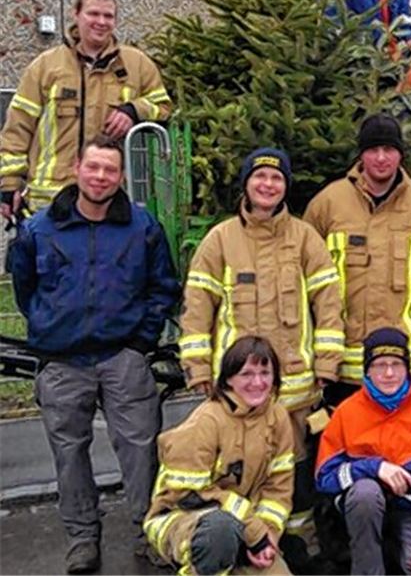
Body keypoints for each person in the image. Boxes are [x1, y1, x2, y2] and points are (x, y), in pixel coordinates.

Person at [7, 134, 179, 574]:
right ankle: (83, 538)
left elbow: (162, 287)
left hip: (123, 358)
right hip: (62, 363)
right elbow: (25, 290)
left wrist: (140, 343)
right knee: (69, 455)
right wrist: (52, 328)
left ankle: (149, 531)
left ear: (121, 176)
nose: (101, 177)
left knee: (141, 452)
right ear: (77, 169)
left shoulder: (143, 229)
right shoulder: (39, 230)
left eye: (110, 170)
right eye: (94, 167)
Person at [178, 147, 344, 566]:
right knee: (238, 471)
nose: (268, 185)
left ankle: (301, 548)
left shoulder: (305, 238)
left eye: (276, 179)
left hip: (296, 391)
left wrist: (326, 365)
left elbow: (328, 303)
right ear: (247, 184)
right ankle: (240, 545)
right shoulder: (220, 240)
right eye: (260, 178)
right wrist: (198, 366)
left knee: (296, 476)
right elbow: (197, 307)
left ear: (285, 187)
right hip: (238, 393)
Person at [304, 113, 411, 401]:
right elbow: (309, 267)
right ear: (361, 155)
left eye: (389, 150)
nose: (381, 158)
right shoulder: (328, 203)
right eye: (373, 150)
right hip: (348, 359)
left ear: (400, 155)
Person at [0, 0, 173, 218]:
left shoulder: (137, 65)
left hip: (110, 200)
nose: (101, 22)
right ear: (76, 15)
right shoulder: (45, 66)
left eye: (108, 16)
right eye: (93, 14)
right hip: (49, 201)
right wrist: (9, 183)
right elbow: (17, 128)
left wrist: (133, 110)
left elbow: (163, 108)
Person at [315, 328, 411, 576]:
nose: (389, 373)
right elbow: (325, 478)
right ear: (367, 371)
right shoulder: (346, 413)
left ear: (408, 369)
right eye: (380, 365)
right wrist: (373, 468)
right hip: (362, 510)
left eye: (396, 364)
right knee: (365, 493)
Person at [144, 336, 295, 576]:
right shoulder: (206, 421)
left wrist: (269, 536)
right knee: (220, 533)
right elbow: (190, 496)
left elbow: (279, 488)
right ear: (228, 379)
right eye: (246, 374)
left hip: (246, 525)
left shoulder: (278, 417)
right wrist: (255, 532)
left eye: (265, 373)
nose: (257, 382)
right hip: (188, 518)